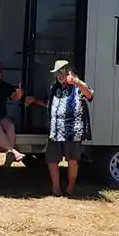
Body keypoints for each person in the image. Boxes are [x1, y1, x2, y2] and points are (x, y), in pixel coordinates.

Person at [28, 59, 94, 195]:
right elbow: (50, 104)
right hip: (56, 130)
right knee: (52, 160)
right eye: (57, 72)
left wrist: (76, 82)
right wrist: (35, 101)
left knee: (72, 161)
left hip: (73, 130)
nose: (60, 75)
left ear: (69, 72)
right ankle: (56, 189)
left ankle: (70, 189)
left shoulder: (78, 87)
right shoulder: (54, 88)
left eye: (62, 72)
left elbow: (90, 95)